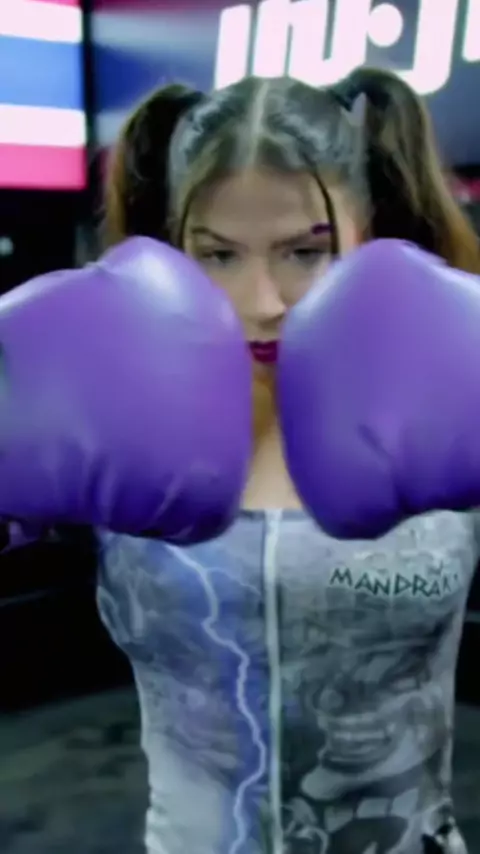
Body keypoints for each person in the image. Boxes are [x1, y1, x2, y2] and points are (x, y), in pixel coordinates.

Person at [3, 66, 480, 854]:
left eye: (306, 251)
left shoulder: (450, 379)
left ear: (368, 232)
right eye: (218, 255)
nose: (262, 301)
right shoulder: (114, 399)